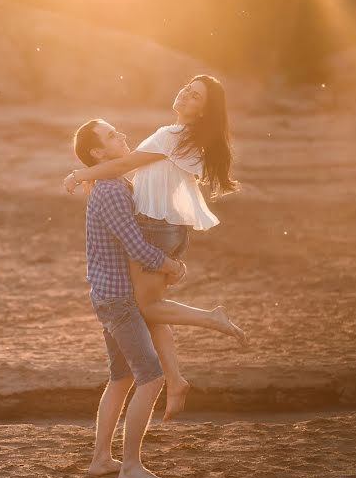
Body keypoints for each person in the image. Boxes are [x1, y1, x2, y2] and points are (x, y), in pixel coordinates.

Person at [65, 75, 245, 420]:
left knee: (145, 310)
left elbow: (122, 165)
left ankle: (210, 319)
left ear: (204, 110)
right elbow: (144, 175)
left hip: (156, 228)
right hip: (169, 228)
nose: (185, 95)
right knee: (151, 307)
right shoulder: (183, 138)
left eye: (194, 97)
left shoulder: (172, 135)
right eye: (187, 89)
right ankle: (176, 380)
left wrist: (81, 175)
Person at [78, 123, 185, 478]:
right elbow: (135, 247)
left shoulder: (115, 183)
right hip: (119, 299)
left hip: (111, 294)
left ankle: (101, 460)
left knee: (122, 377)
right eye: (111, 136)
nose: (121, 136)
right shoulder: (111, 190)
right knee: (151, 377)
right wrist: (171, 265)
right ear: (98, 153)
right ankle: (130, 467)